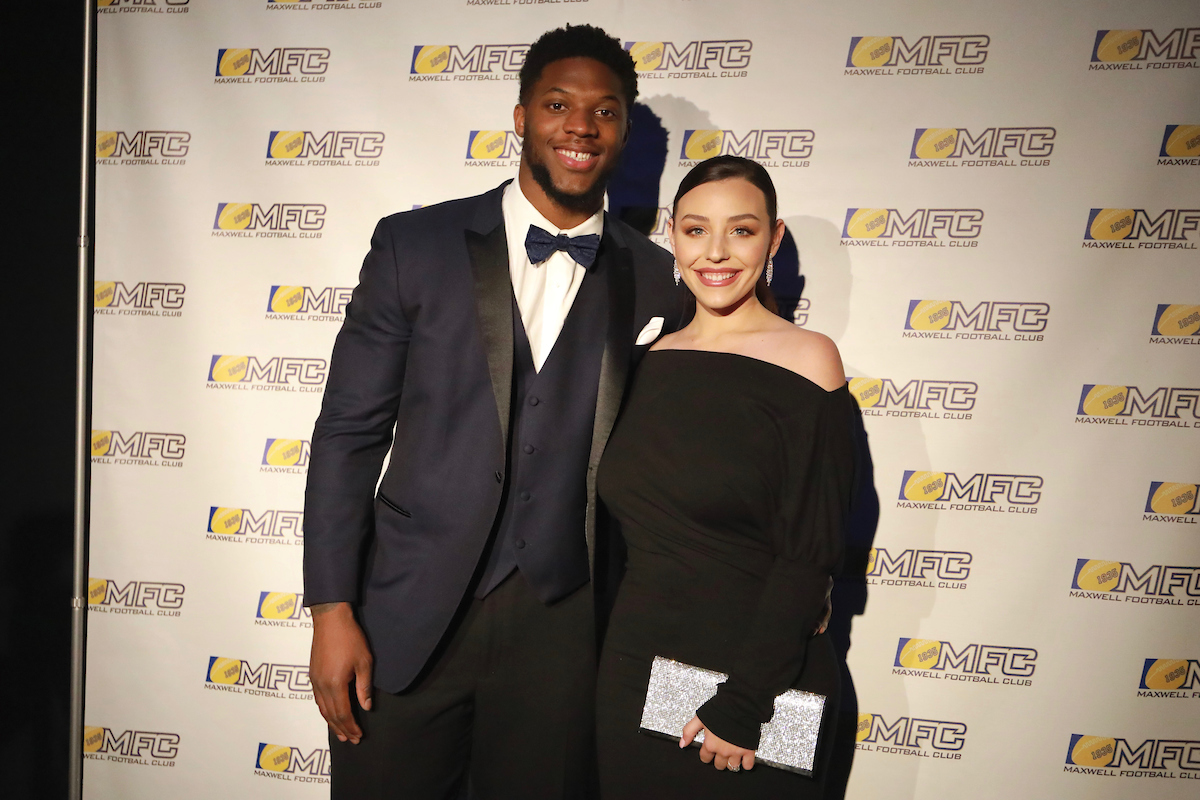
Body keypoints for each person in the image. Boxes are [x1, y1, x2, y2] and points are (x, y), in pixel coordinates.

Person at [301, 24, 681, 799]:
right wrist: (331, 610)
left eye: (605, 112)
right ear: (520, 118)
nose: (580, 126)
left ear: (624, 133)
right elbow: (348, 433)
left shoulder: (659, 279)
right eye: (557, 104)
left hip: (568, 633)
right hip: (406, 621)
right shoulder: (417, 245)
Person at [595, 155, 856, 798]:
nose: (716, 251)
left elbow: (811, 554)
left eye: (741, 230)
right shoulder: (638, 363)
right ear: (672, 238)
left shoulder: (809, 359)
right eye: (694, 230)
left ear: (775, 237)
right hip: (633, 673)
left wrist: (743, 705)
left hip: (760, 689)